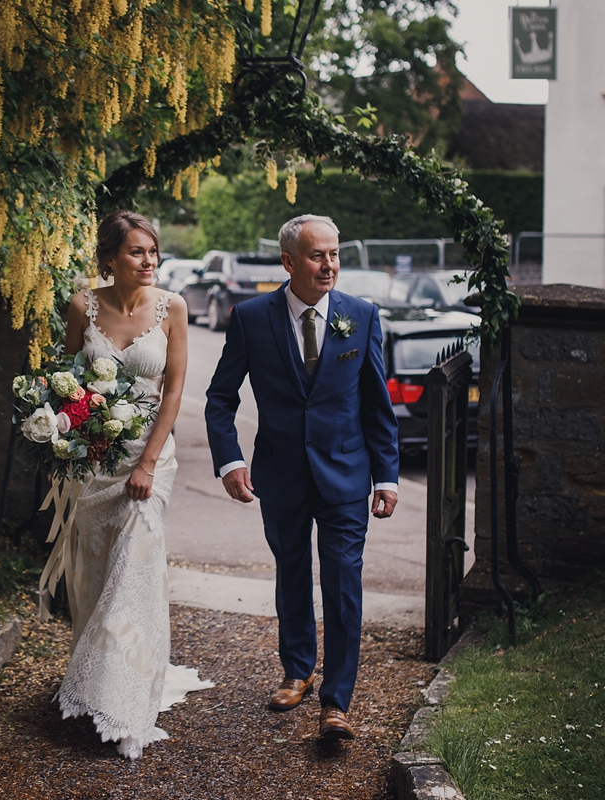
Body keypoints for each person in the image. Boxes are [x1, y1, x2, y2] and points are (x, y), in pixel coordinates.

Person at [204, 214, 399, 740]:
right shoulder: (250, 318)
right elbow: (221, 399)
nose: (330, 264)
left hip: (346, 474)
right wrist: (230, 461)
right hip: (281, 474)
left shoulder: (361, 315)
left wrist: (387, 476)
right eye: (318, 255)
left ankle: (337, 703)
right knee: (291, 573)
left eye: (334, 254)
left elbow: (377, 405)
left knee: (342, 587)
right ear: (289, 262)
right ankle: (297, 671)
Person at [53, 210, 213, 760]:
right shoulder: (82, 305)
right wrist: (63, 432)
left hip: (150, 455)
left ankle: (125, 707)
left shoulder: (173, 308)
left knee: (135, 570)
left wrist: (147, 461)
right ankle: (96, 679)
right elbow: (66, 382)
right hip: (95, 462)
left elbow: (173, 391)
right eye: (137, 252)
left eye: (153, 252)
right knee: (98, 573)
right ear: (110, 259)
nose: (149, 262)